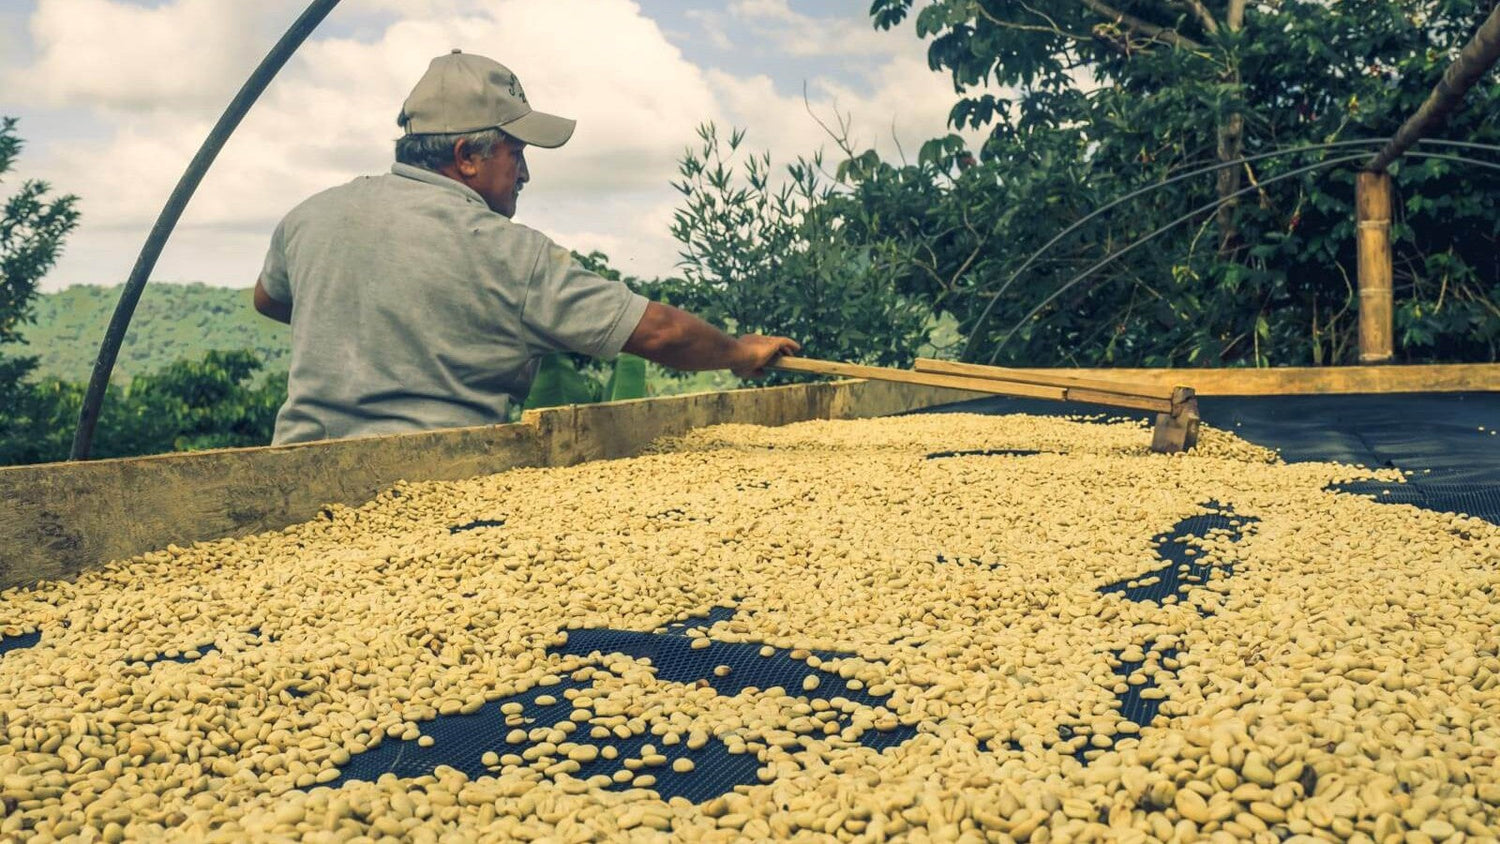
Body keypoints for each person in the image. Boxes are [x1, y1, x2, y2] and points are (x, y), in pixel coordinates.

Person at [253, 50, 799, 445]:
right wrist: (738, 351)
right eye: (516, 154)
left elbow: (270, 300)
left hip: (293, 465)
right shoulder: (504, 250)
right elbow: (656, 331)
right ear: (467, 156)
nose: (526, 173)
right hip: (437, 481)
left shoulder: (310, 215)